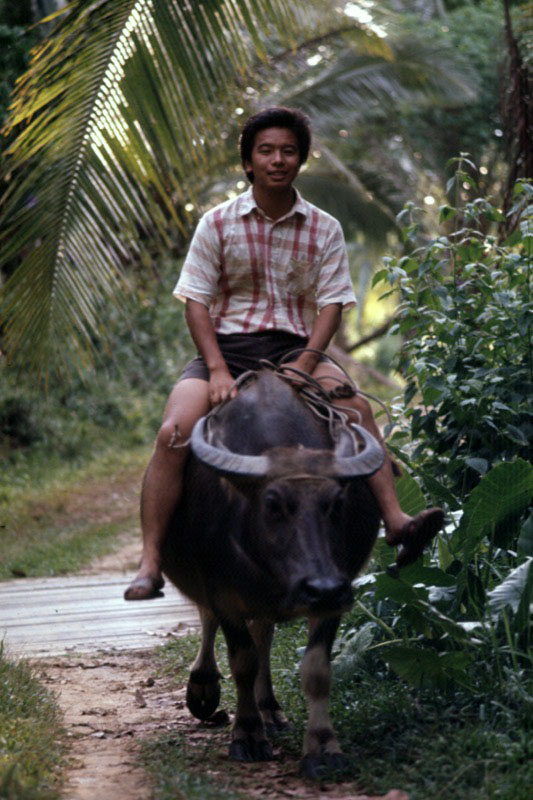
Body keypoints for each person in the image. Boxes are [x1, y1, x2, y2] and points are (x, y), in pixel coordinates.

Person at [125, 107, 443, 601]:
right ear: (249, 162)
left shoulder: (323, 227)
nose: (278, 160)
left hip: (299, 348)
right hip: (227, 348)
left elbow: (333, 304)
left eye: (288, 151)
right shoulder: (217, 223)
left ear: (300, 160)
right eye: (266, 151)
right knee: (173, 432)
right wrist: (214, 369)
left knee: (357, 410)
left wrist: (306, 362)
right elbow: (197, 302)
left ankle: (397, 521)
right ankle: (150, 560)